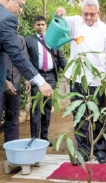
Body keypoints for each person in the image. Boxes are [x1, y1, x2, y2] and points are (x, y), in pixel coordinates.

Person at [0, 0, 53, 183]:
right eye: (20, 4)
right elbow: (16, 55)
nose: (21, 10)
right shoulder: (6, 18)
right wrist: (39, 81)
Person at [55, 0, 106, 165]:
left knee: (99, 118)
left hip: (99, 82)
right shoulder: (75, 22)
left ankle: (100, 151)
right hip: (77, 80)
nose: (88, 17)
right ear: (81, 12)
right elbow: (59, 20)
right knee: (79, 117)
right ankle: (83, 152)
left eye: (92, 14)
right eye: (86, 14)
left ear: (98, 13)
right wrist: (60, 11)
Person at [25, 15, 67, 146]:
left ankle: (44, 138)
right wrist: (27, 78)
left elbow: (61, 58)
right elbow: (25, 60)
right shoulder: (28, 40)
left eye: (43, 24)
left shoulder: (52, 40)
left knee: (47, 108)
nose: (41, 27)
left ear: (46, 25)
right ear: (34, 26)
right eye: (38, 25)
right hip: (37, 78)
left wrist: (68, 73)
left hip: (50, 78)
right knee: (36, 109)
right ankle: (34, 139)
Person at [2, 19, 31, 143]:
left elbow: (24, 60)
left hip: (16, 83)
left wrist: (27, 78)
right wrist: (4, 81)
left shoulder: (20, 40)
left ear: (18, 26)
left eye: (16, 24)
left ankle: (12, 148)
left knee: (13, 117)